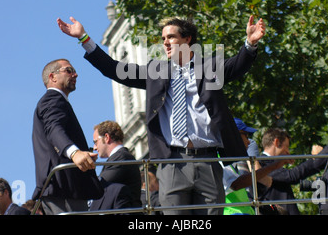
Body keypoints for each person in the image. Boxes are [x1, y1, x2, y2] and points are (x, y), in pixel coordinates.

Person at [57, 14, 266, 215]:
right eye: (163, 38)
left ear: (187, 39)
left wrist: (250, 43)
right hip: (172, 162)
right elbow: (114, 69)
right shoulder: (155, 71)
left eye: (171, 37)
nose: (166, 42)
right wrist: (84, 38)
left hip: (208, 161)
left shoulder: (210, 67)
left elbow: (238, 64)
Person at [32, 59, 102, 215]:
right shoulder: (52, 99)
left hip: (62, 188)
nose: (75, 74)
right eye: (69, 70)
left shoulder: (54, 101)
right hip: (64, 187)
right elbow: (53, 129)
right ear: (53, 77)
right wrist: (75, 153)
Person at [222, 119, 288, 215]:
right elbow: (236, 184)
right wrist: (273, 166)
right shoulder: (219, 161)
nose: (249, 142)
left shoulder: (228, 162)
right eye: (246, 135)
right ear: (234, 136)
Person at [91, 120, 142, 209]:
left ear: (106, 137)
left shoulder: (122, 157)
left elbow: (99, 186)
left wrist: (89, 167)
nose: (95, 148)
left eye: (96, 142)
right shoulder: (117, 158)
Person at [251, 127, 299, 215]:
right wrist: (316, 159)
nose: (288, 152)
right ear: (276, 142)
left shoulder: (262, 164)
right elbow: (292, 175)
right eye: (287, 147)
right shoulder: (262, 164)